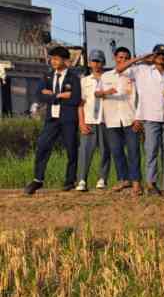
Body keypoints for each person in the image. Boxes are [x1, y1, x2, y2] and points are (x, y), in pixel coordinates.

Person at [25, 46, 81, 195]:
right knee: (42, 146)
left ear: (64, 60)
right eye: (52, 58)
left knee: (71, 149)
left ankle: (70, 180)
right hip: (52, 119)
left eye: (56, 58)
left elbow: (75, 99)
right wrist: (59, 95)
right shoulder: (47, 76)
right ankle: (37, 179)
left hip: (68, 119)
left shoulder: (73, 77)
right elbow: (39, 94)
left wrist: (52, 94)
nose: (53, 61)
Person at [126, 44, 164, 195]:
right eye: (158, 54)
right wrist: (142, 58)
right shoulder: (142, 70)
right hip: (150, 117)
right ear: (153, 56)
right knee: (151, 151)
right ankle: (151, 184)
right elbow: (121, 69)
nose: (161, 57)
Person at [75, 50, 112, 192]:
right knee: (85, 151)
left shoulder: (108, 79)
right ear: (89, 63)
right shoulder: (84, 81)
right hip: (89, 120)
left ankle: (102, 178)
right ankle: (82, 180)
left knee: (105, 151)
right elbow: (80, 104)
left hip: (105, 120)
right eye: (94, 61)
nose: (96, 64)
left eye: (99, 61)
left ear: (103, 63)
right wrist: (81, 123)